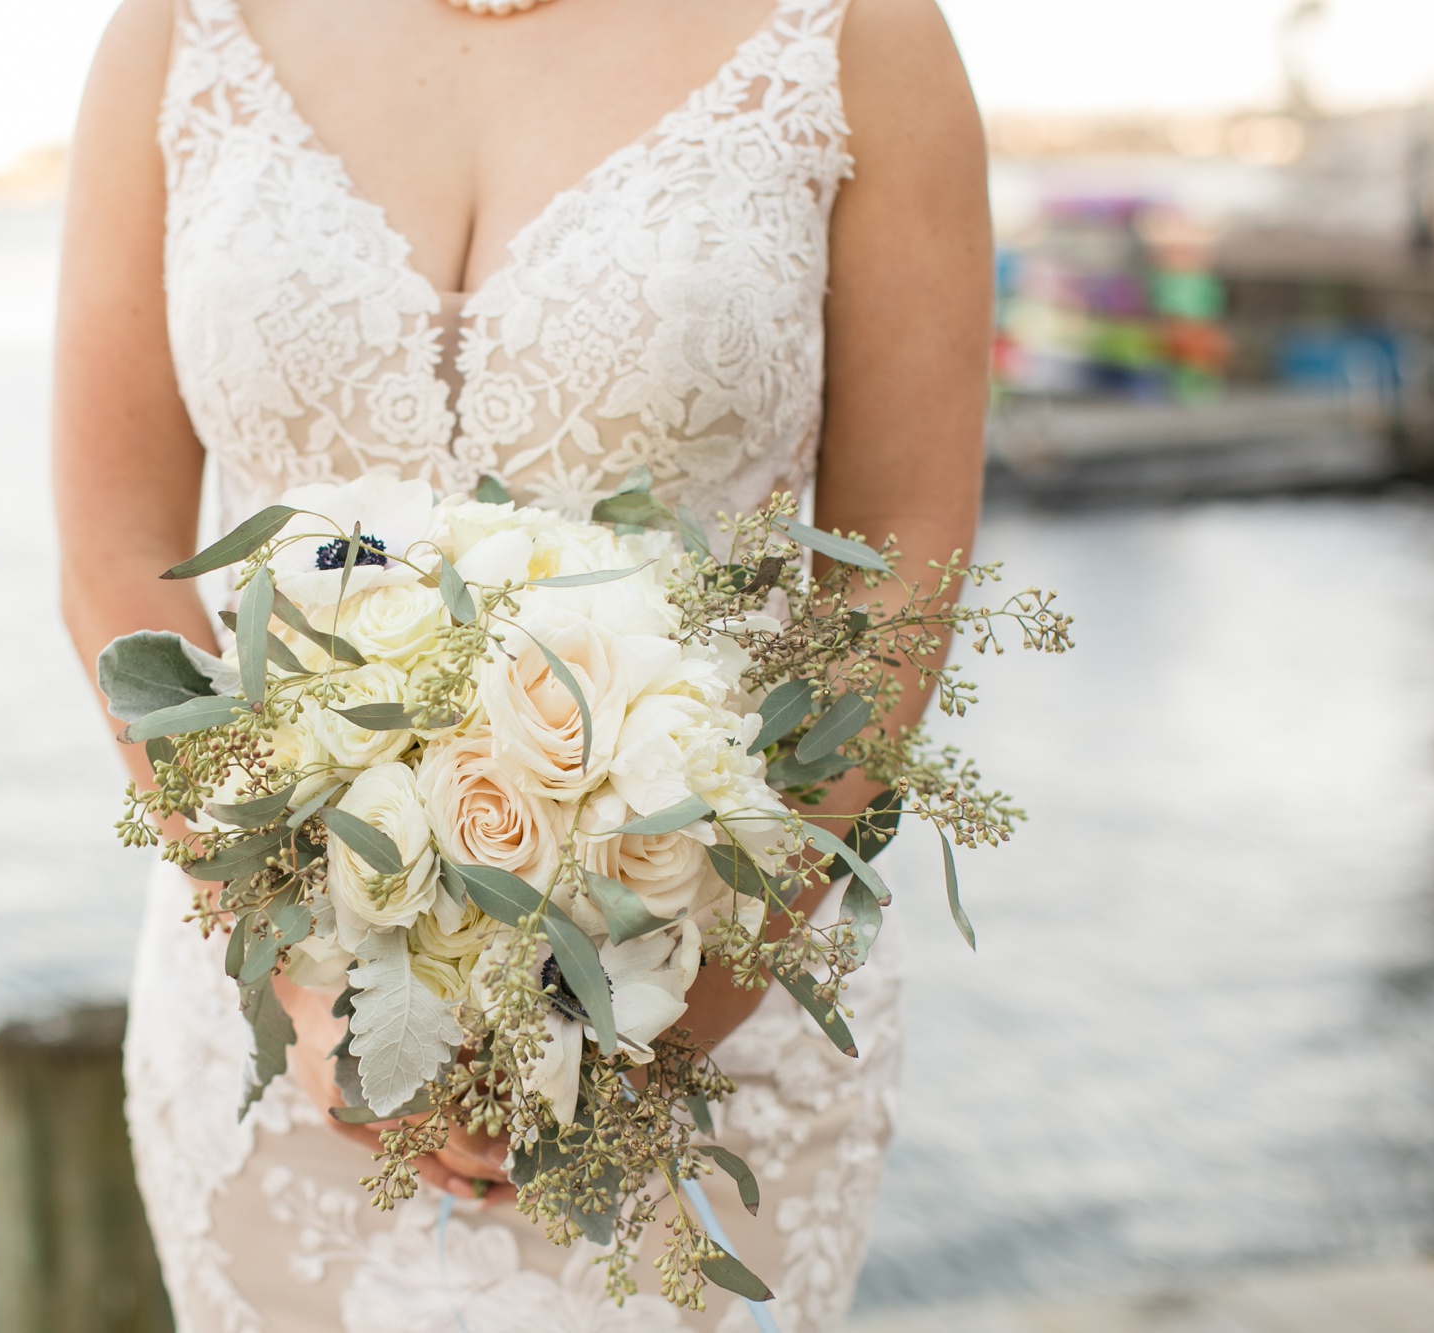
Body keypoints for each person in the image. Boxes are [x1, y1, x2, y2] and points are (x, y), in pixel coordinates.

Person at [53, 0, 988, 1326]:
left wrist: (662, 1013)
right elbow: (116, 554)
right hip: (279, 1043)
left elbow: (904, 569)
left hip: (701, 1019)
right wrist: (300, 975)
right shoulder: (182, 32)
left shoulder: (857, 35)